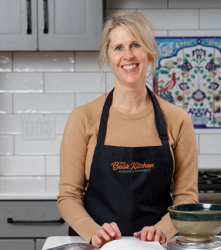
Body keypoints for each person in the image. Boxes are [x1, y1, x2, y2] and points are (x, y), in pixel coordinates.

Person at [57, 11, 198, 248]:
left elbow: (187, 197)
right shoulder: (83, 118)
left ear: (149, 53)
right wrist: (93, 232)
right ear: (108, 56)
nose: (128, 55)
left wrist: (162, 231)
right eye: (118, 47)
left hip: (156, 247)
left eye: (136, 45)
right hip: (95, 246)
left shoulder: (178, 119)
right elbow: (68, 196)